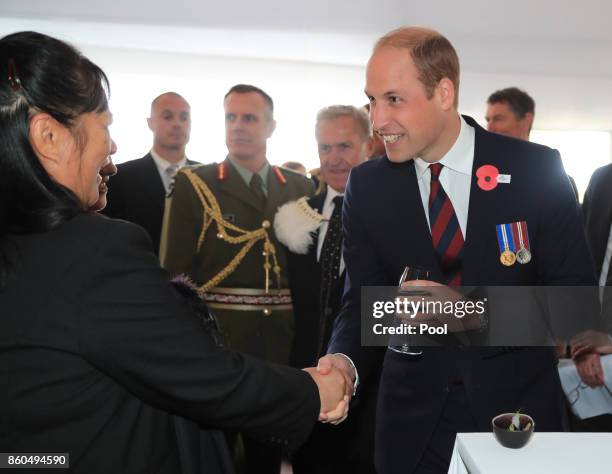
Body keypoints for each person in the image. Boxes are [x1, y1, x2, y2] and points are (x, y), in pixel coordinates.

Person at [0, 31, 349, 474]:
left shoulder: (297, 187)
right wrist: (314, 391)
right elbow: (200, 372)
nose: (111, 147)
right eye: (104, 127)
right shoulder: (96, 246)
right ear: (49, 136)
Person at [318, 26, 595, 473]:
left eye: (393, 99)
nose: (377, 120)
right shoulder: (368, 187)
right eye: (371, 100)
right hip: (412, 429)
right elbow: (363, 304)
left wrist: (472, 313)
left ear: (443, 93)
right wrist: (343, 363)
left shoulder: (534, 170)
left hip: (518, 423)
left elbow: (576, 307)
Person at [159, 84, 315, 473]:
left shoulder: (298, 188)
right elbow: (174, 278)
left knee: (267, 453)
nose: (238, 126)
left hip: (282, 343)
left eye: (249, 118)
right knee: (215, 454)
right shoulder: (196, 184)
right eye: (231, 117)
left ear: (271, 126)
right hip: (220, 344)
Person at [274, 105, 377, 473]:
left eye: (344, 146)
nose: (334, 159)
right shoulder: (296, 216)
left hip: (372, 387)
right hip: (308, 385)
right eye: (325, 148)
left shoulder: (390, 213)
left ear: (369, 145)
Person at [103, 92, 198, 254]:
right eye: (167, 117)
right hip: (137, 274)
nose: (177, 124)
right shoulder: (120, 177)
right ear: (150, 122)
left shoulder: (207, 177)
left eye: (184, 117)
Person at [485, 87, 579, 200]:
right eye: (488, 120)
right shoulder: (479, 174)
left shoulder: (556, 180)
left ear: (526, 120)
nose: (489, 127)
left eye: (498, 119)